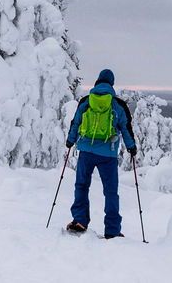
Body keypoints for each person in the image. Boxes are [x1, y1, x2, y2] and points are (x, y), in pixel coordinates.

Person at [65, 68, 137, 239]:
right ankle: (112, 230)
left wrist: (70, 141)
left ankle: (79, 220)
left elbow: (75, 122)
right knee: (111, 191)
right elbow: (126, 127)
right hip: (108, 155)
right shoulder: (117, 104)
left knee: (81, 186)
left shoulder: (86, 101)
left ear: (97, 82)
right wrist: (131, 147)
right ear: (111, 84)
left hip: (86, 151)